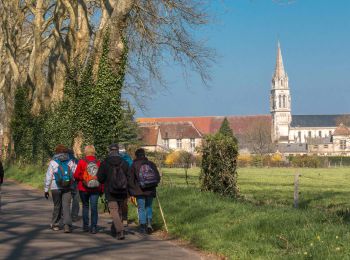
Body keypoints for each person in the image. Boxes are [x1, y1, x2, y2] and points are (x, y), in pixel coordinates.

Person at [97, 144, 129, 240]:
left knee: (113, 210)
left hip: (110, 190)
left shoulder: (105, 163)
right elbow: (129, 176)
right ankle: (115, 229)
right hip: (123, 190)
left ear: (109, 151)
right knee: (118, 210)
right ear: (118, 151)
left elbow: (100, 178)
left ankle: (119, 230)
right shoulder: (124, 163)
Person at [44, 144, 77, 233]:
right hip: (68, 186)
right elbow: (74, 174)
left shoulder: (53, 162)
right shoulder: (71, 161)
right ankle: (67, 225)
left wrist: (46, 189)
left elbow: (48, 176)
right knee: (66, 206)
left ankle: (55, 224)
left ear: (56, 152)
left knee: (57, 205)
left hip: (55, 187)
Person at [128, 148, 160, 234]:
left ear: (136, 155)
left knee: (141, 208)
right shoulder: (151, 164)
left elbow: (130, 180)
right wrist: (154, 185)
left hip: (139, 190)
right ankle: (149, 224)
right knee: (148, 206)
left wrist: (131, 191)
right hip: (150, 189)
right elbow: (157, 177)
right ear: (144, 154)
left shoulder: (134, 165)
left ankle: (142, 226)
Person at [73, 145, 102, 234]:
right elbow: (101, 176)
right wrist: (102, 189)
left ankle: (85, 226)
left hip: (83, 188)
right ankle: (93, 227)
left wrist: (82, 179)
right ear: (94, 151)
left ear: (85, 151)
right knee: (94, 208)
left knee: (85, 206)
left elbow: (76, 175)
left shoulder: (82, 161)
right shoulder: (98, 162)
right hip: (96, 188)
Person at [119, 145, 133, 227]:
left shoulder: (116, 159)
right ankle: (124, 219)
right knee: (124, 202)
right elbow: (131, 172)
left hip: (116, 183)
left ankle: (119, 217)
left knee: (117, 202)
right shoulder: (128, 159)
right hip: (126, 184)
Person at [68, 149, 80, 222]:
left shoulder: (64, 161)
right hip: (76, 182)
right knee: (76, 200)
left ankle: (65, 215)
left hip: (67, 183)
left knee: (66, 200)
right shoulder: (77, 161)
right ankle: (74, 216)